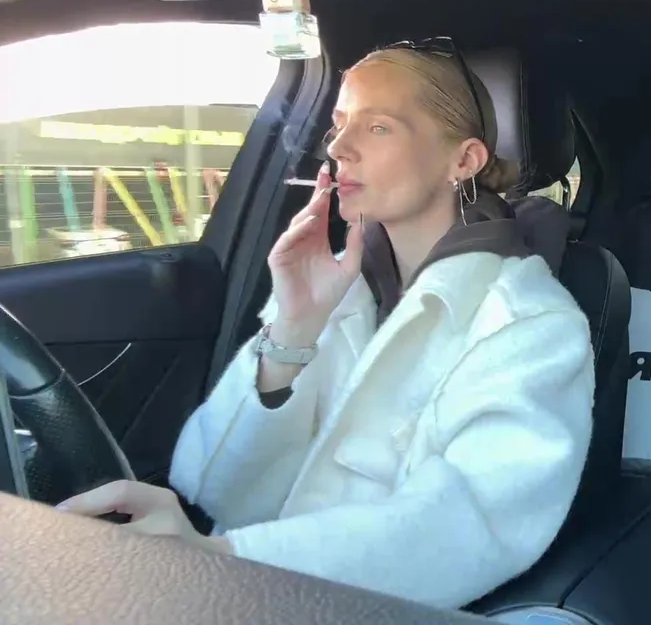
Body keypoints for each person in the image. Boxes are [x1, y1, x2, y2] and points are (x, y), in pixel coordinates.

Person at [54, 40, 597, 610]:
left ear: (463, 161)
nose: (337, 146)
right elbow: (216, 484)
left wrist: (227, 560)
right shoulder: (340, 284)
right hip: (257, 592)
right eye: (339, 124)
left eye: (378, 127)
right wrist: (294, 329)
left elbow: (470, 521)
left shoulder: (531, 322)